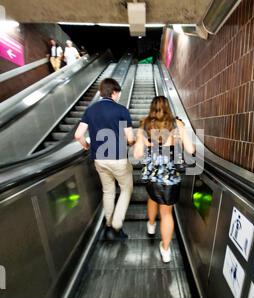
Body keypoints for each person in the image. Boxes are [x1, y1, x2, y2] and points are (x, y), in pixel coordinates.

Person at [134, 96, 195, 263]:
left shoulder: (144, 124)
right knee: (167, 213)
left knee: (153, 198)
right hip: (170, 177)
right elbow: (190, 149)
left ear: (151, 107)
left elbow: (137, 154)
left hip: (152, 176)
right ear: (168, 107)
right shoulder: (177, 124)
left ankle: (151, 226)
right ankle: (166, 250)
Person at [74, 78, 135, 240]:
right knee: (126, 189)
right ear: (113, 92)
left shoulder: (91, 110)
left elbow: (78, 135)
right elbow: (130, 139)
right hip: (118, 159)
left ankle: (108, 224)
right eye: (118, 94)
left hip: (99, 159)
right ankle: (116, 223)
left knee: (108, 191)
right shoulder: (121, 110)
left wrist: (86, 146)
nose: (119, 97)